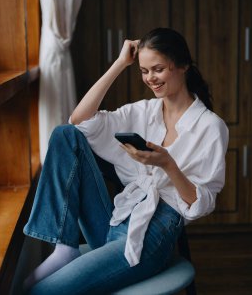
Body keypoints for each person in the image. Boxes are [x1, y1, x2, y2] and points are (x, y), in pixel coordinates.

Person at [23, 27, 229, 294]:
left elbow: (201, 204)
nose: (150, 79)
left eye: (157, 69)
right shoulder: (144, 111)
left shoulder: (211, 127)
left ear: (183, 65)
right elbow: (79, 120)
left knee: (43, 291)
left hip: (153, 235)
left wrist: (167, 164)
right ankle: (65, 246)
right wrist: (120, 64)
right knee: (66, 134)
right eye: (144, 71)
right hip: (116, 219)